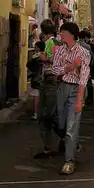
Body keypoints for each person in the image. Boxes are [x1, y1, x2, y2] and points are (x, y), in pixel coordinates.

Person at [52, 22, 90, 175]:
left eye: (63, 33)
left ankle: (69, 161)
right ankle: (71, 142)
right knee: (60, 123)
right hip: (62, 87)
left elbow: (83, 78)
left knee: (71, 126)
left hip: (76, 90)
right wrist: (71, 67)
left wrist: (80, 100)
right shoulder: (60, 50)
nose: (60, 35)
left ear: (71, 35)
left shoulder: (83, 52)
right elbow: (55, 70)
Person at [34, 19, 61, 160]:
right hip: (52, 79)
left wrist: (43, 57)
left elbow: (54, 59)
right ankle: (56, 143)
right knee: (49, 114)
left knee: (47, 115)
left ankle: (55, 144)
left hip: (50, 79)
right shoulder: (56, 42)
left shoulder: (51, 42)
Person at [26, 41, 45, 120]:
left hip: (37, 78)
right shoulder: (45, 55)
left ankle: (36, 113)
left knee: (36, 97)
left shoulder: (36, 56)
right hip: (43, 78)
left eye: (36, 47)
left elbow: (30, 66)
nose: (35, 48)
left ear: (39, 47)